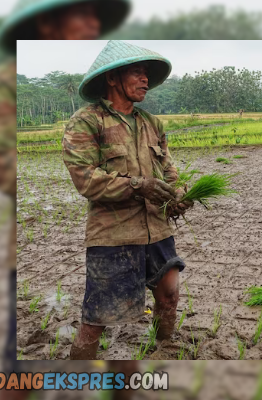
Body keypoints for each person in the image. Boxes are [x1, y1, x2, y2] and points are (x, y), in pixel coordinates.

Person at [0, 1, 136, 399]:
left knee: (119, 325)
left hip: (128, 229)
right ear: (46, 22)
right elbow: (3, 174)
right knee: (19, 366)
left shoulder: (128, 115)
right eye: (83, 14)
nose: (93, 24)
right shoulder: (2, 87)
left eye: (97, 16)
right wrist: (124, 185)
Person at [63, 40, 194, 360]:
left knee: (169, 297)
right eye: (137, 72)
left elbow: (168, 170)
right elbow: (86, 180)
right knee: (98, 316)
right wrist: (139, 186)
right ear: (112, 78)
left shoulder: (152, 124)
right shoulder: (88, 121)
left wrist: (178, 196)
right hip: (113, 236)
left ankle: (165, 348)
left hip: (158, 231)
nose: (145, 79)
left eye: (147, 73)